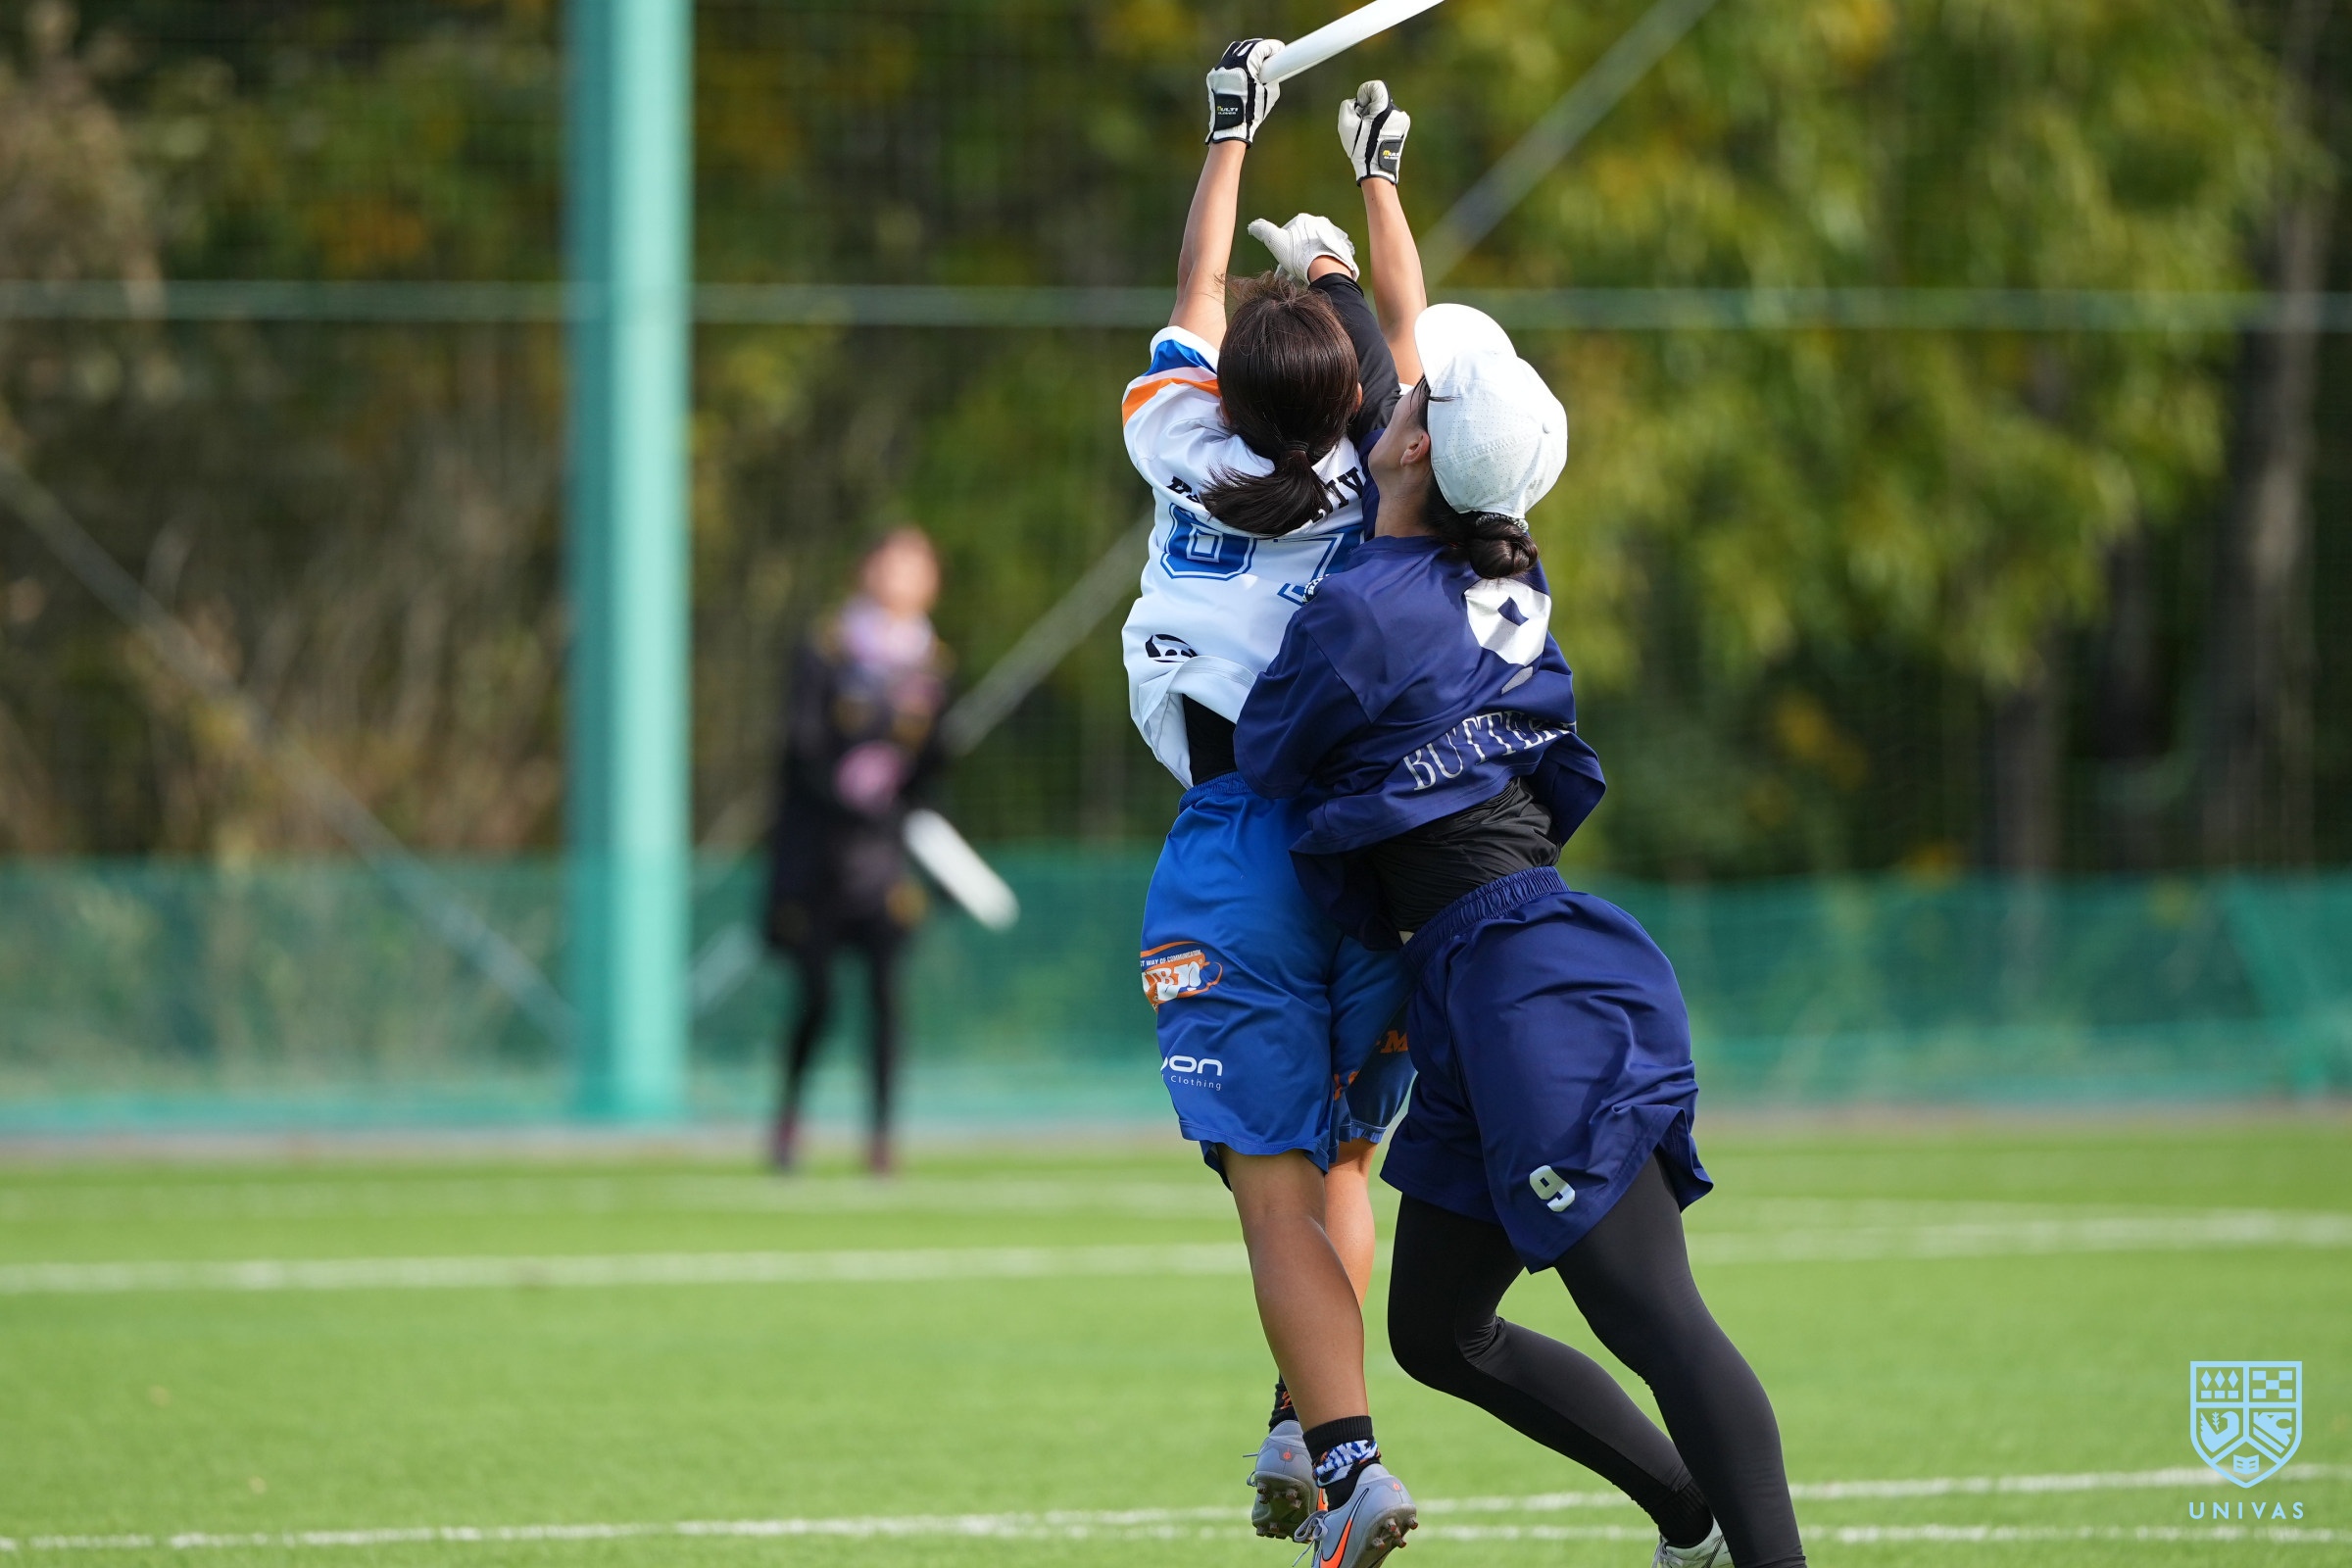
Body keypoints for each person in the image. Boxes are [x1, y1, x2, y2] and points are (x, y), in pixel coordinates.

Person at [1232, 305, 1811, 1568]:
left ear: (1418, 451)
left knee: (1655, 1317)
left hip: (1522, 986)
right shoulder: (1502, 573)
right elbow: (1403, 412)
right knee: (1438, 1329)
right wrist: (1339, 270)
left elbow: (1265, 752)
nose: (1399, 393)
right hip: (1482, 981)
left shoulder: (1366, 610)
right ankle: (1692, 1522)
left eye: (1418, 399)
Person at [1119, 43, 1426, 1568]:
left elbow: (1192, 289)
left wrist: (1229, 135)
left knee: (1269, 1187)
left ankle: (1350, 1470)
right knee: (1343, 1163)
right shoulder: (1387, 482)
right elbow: (1407, 348)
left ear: (1226, 391)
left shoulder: (1177, 440)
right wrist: (1373, 193)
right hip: (1369, 850)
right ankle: (1305, 1430)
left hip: (1241, 850)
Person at [763, 527, 951, 1175]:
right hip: (820, 858)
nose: (904, 578)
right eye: (893, 564)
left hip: (886, 863)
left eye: (918, 567)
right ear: (865, 571)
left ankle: (881, 1138)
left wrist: (909, 799)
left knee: (886, 997)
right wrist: (848, 789)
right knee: (816, 997)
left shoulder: (934, 665)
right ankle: (788, 1120)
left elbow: (934, 766)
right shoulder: (827, 649)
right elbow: (799, 750)